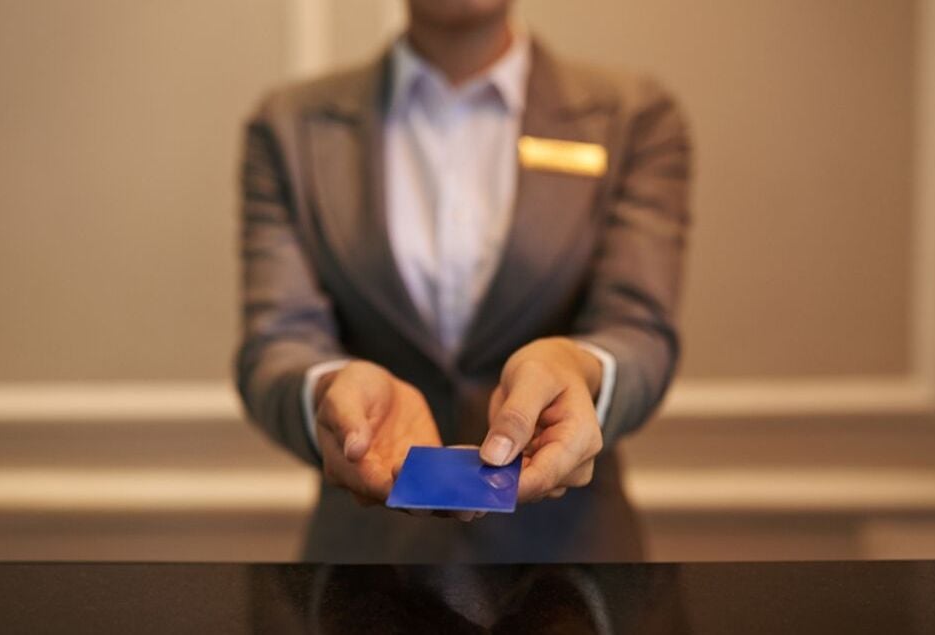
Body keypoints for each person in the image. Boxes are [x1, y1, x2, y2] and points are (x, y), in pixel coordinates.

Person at [236, 0, 691, 562]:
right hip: (365, 567)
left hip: (571, 568)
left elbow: (638, 328)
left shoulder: (633, 116)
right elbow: (276, 341)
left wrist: (578, 369)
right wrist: (330, 389)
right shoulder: (289, 126)